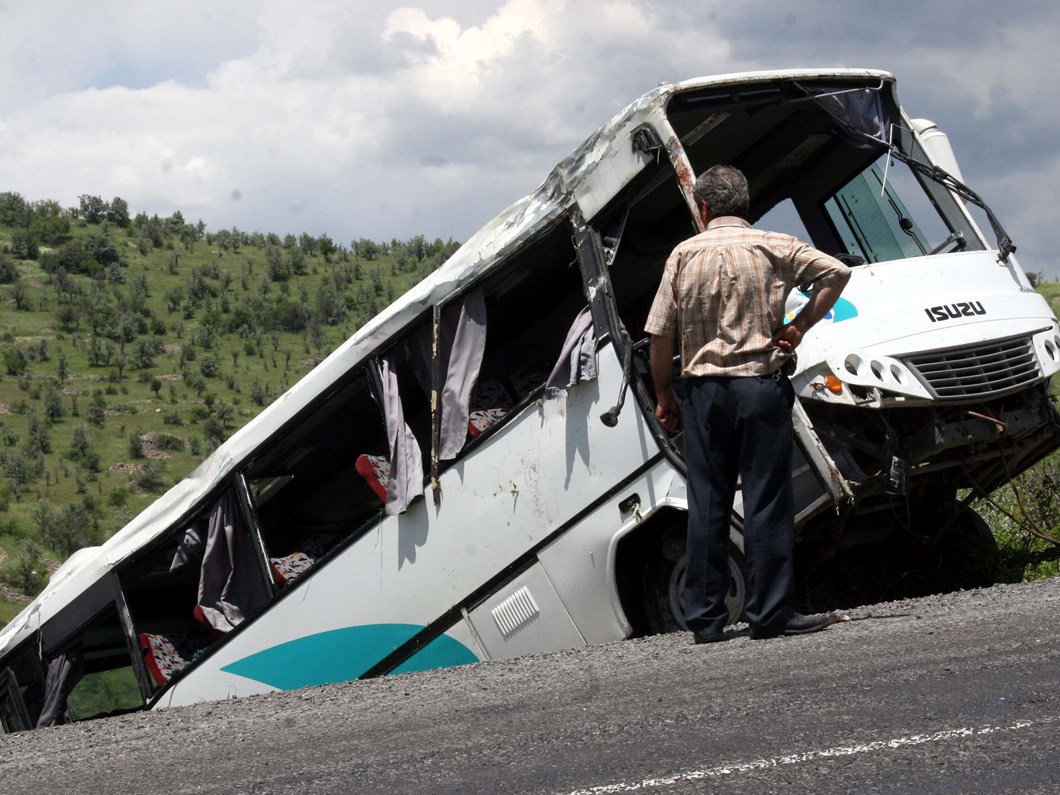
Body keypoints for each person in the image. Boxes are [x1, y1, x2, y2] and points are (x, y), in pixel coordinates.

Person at [644, 165, 851, 643]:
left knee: (708, 501)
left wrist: (663, 394)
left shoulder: (682, 255)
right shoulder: (771, 245)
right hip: (759, 385)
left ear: (705, 208)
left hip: (704, 392)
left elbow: (659, 333)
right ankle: (770, 613)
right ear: (744, 207)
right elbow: (837, 272)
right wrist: (799, 327)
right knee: (765, 500)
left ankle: (706, 620)